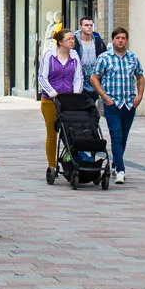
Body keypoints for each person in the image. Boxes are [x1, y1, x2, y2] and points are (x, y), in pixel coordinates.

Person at [91, 27, 144, 184]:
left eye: (123, 38)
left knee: (123, 137)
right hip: (112, 104)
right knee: (116, 136)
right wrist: (105, 97)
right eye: (118, 38)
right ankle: (121, 170)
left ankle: (115, 164)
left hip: (129, 104)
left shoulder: (133, 58)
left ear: (126, 40)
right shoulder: (104, 58)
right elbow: (94, 78)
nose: (120, 41)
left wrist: (140, 96)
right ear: (113, 40)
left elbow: (140, 77)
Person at [37, 25, 83, 178]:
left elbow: (78, 77)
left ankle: (70, 161)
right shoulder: (49, 56)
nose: (72, 41)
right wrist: (52, 93)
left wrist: (76, 93)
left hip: (68, 101)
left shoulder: (74, 56)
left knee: (71, 133)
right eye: (69, 39)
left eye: (73, 38)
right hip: (50, 101)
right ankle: (52, 165)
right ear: (60, 42)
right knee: (52, 133)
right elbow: (42, 77)